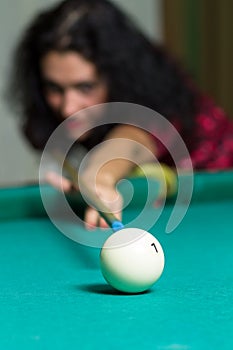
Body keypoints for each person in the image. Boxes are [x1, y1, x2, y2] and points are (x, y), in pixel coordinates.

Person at [8, 0, 233, 228]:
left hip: (219, 199)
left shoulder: (157, 101)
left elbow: (132, 141)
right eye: (55, 88)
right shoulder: (61, 116)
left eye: (85, 87)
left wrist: (100, 177)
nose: (68, 108)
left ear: (117, 79)